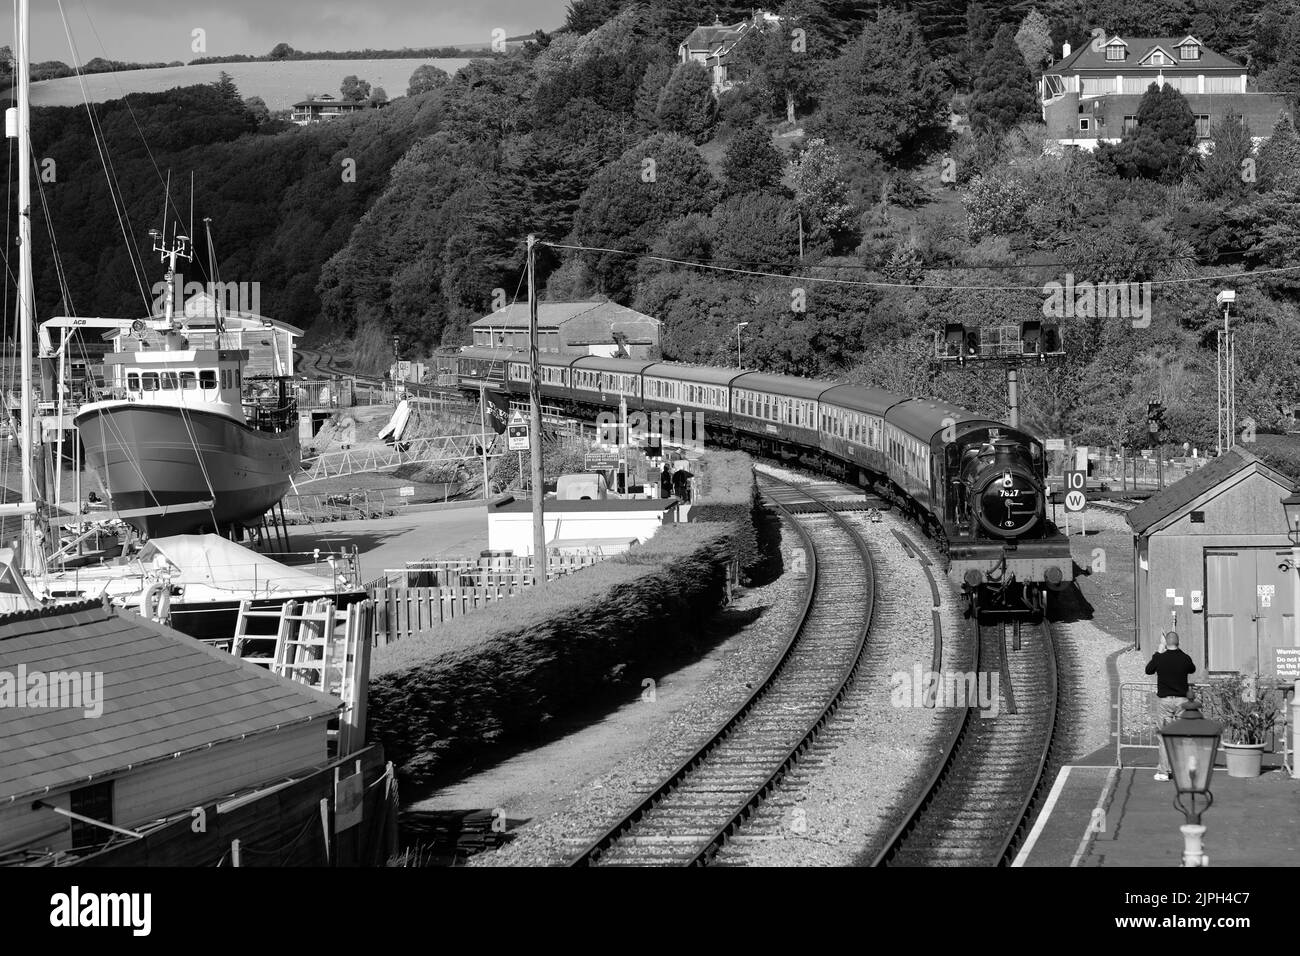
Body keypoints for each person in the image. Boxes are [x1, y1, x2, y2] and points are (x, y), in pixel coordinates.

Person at [1145, 630, 1196, 781]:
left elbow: (1148, 670)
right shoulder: (1185, 658)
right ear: (1178, 643)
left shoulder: (1160, 658)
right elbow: (1192, 668)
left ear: (1166, 643)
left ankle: (1163, 771)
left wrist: (1159, 649)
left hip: (1165, 701)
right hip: (1182, 701)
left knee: (1164, 737)